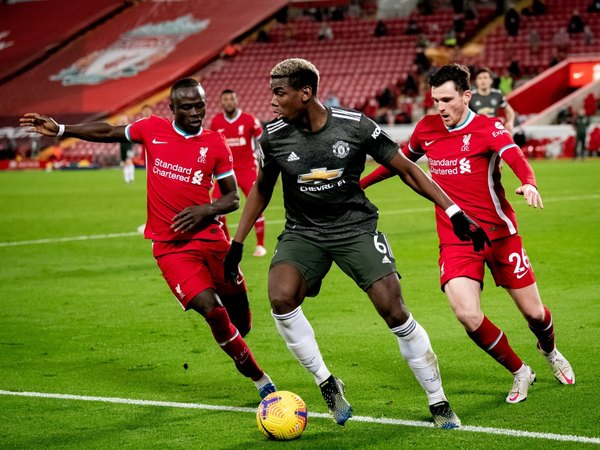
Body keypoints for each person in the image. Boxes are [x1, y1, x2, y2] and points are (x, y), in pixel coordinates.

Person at [223, 58, 491, 428]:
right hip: (304, 232)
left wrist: (454, 211)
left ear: (305, 93)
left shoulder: (355, 126)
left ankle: (437, 399)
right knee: (281, 299)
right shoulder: (273, 136)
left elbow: (408, 170)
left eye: (279, 93)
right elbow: (261, 188)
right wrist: (238, 243)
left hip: (355, 228)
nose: (271, 101)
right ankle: (326, 382)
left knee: (394, 310)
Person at [19, 78, 276, 400]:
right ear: (172, 109)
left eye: (199, 105)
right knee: (213, 311)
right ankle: (261, 380)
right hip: (171, 248)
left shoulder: (215, 144)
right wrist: (61, 130)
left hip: (211, 238)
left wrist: (204, 210)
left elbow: (232, 198)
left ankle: (239, 336)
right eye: (187, 107)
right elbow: (108, 133)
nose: (195, 112)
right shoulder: (152, 129)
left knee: (242, 322)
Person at [360, 64, 575, 404]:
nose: (440, 108)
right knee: (466, 314)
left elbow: (514, 155)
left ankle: (549, 351)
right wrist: (359, 185)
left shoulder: (488, 128)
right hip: (457, 238)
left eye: (447, 100)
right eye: (435, 101)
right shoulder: (427, 130)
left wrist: (529, 182)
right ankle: (520, 371)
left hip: (501, 235)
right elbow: (399, 165)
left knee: (535, 313)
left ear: (466, 96)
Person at [210, 89, 267, 256]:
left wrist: (260, 160)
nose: (228, 102)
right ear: (221, 102)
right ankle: (227, 242)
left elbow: (263, 140)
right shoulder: (216, 122)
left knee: (255, 204)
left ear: (237, 101)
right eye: (225, 99)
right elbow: (214, 146)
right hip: (225, 172)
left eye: (231, 99)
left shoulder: (249, 120)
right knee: (217, 206)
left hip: (247, 169)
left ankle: (260, 244)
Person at [469, 67, 516, 133]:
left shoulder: (498, 94)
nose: (482, 80)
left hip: (494, 129)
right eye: (479, 78)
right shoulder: (470, 96)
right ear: (476, 81)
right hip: (477, 131)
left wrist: (510, 122)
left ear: (491, 80)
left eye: (485, 77)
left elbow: (509, 111)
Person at [117, 114, 135, 183]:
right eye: (122, 120)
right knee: (124, 163)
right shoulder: (120, 129)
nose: (123, 121)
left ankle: (130, 177)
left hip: (129, 147)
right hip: (123, 147)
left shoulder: (129, 127)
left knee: (129, 161)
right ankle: (127, 178)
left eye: (124, 119)